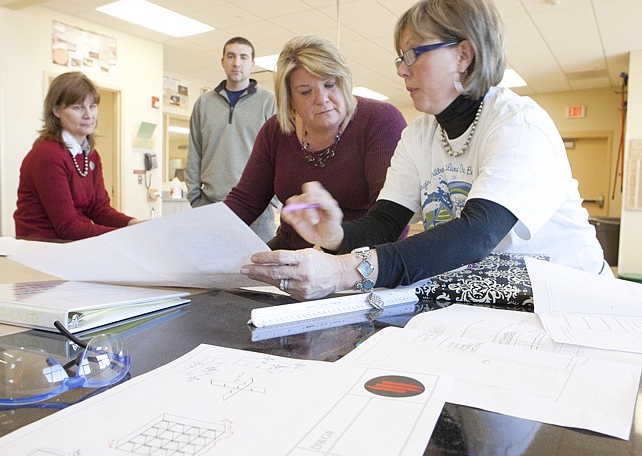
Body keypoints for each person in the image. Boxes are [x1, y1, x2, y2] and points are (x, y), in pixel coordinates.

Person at [240, 0, 608, 300]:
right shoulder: (419, 135)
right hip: (492, 300)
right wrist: (336, 237)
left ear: (464, 55)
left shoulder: (517, 125)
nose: (402, 70)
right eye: (400, 57)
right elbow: (385, 223)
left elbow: (475, 235)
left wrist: (343, 271)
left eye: (414, 53)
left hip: (568, 302)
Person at [224, 35, 407, 250]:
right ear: (289, 99)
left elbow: (391, 223)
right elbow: (245, 202)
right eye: (306, 92)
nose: (322, 98)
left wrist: (333, 247)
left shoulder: (380, 120)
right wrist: (195, 237)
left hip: (358, 256)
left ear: (344, 82)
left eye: (330, 84)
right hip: (292, 251)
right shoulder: (277, 130)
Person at [14, 71, 140, 241]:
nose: (89, 115)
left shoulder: (90, 155)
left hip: (72, 245)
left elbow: (99, 209)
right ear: (57, 111)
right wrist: (127, 236)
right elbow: (68, 227)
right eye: (78, 107)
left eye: (93, 106)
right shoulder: (47, 155)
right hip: (43, 248)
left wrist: (135, 225)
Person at [184, 36, 279, 242]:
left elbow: (280, 154)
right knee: (209, 270)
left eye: (244, 57)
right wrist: (195, 199)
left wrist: (272, 203)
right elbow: (194, 152)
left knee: (256, 271)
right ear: (222, 62)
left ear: (252, 64)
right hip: (211, 207)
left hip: (258, 212)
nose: (237, 63)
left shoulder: (268, 102)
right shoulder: (204, 103)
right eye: (231, 56)